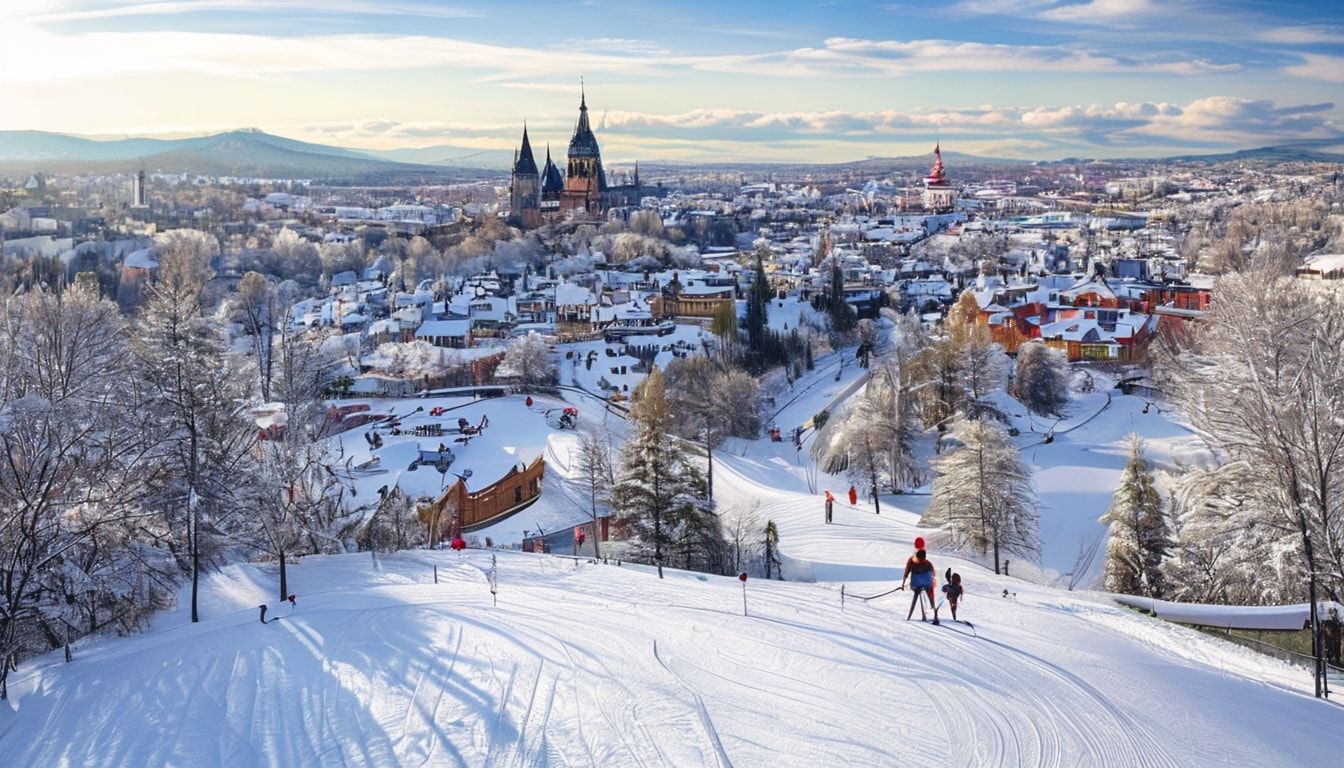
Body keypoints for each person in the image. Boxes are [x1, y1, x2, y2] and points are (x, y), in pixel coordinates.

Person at [901, 549, 939, 624]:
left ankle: (928, 615)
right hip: (924, 584)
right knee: (928, 596)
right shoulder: (926, 563)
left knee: (921, 595)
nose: (921, 560)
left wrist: (903, 584)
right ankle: (932, 615)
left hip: (919, 584)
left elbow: (906, 573)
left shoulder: (916, 562)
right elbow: (933, 574)